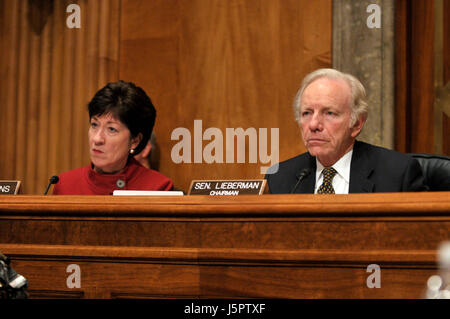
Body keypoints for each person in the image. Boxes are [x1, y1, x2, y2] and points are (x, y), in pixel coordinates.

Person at [266, 68, 427, 194]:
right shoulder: (279, 178)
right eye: (307, 113)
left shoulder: (397, 174)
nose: (313, 125)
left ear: (357, 123)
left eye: (329, 113)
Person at [53, 81, 174, 195]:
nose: (97, 139)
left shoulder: (158, 188)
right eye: (94, 125)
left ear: (135, 141)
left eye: (111, 129)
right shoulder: (65, 185)